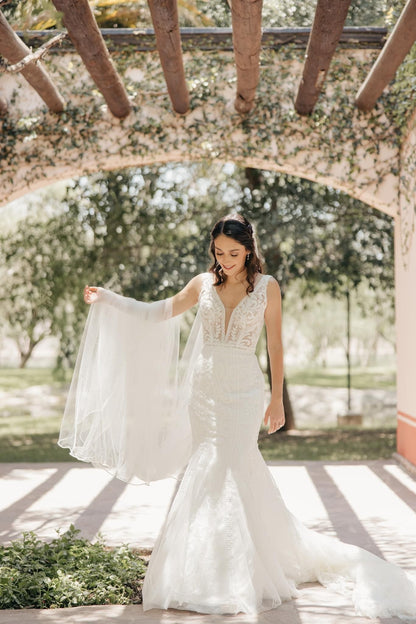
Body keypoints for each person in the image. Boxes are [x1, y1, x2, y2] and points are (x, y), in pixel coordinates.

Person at [59, 214, 416, 618]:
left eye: (233, 252)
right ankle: (200, 569)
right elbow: (158, 312)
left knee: (235, 463)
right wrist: (110, 299)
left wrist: (277, 399)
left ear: (249, 249)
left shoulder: (268, 287)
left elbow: (276, 348)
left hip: (245, 389)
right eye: (218, 252)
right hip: (205, 390)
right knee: (209, 464)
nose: (225, 260)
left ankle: (240, 569)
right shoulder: (203, 284)